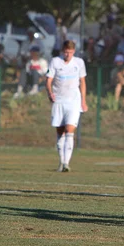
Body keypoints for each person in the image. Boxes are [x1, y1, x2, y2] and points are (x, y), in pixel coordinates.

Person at [46, 40, 88, 172]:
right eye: (65, 52)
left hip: (73, 101)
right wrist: (50, 93)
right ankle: (61, 161)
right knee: (60, 131)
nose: (67, 54)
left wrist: (83, 101)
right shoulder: (55, 61)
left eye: (70, 52)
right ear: (62, 51)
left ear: (74, 51)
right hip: (59, 100)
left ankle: (66, 163)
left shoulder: (79, 62)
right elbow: (49, 80)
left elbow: (82, 82)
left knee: (70, 130)